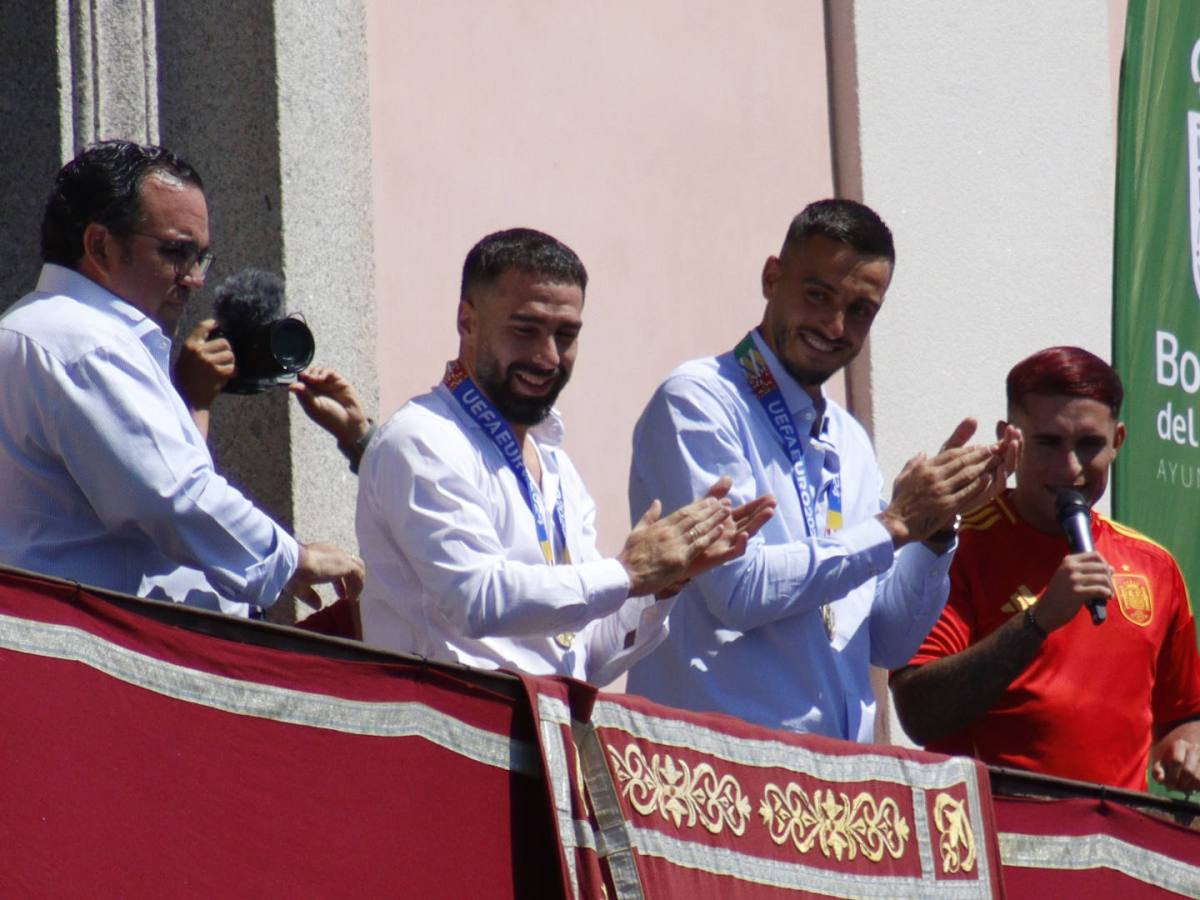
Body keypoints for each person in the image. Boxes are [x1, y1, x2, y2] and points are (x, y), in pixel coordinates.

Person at [625, 199, 1016, 741]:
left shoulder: (848, 438)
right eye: (818, 296)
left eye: (860, 310)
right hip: (713, 769)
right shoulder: (699, 399)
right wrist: (895, 524)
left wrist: (933, 531)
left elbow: (889, 641)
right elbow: (737, 592)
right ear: (771, 278)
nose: (835, 325)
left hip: (832, 782)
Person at [354, 227, 775, 683]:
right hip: (448, 738)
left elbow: (586, 656)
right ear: (467, 321)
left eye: (566, 334)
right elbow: (477, 600)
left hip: (545, 739)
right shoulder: (421, 440)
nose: (548, 356)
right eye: (526, 329)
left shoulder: (556, 466)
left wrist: (662, 585)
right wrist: (627, 573)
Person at [0, 140, 363, 617]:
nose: (194, 279)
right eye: (176, 252)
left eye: (201, 258)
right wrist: (290, 558)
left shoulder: (46, 328)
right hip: (104, 657)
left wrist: (193, 402)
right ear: (99, 245)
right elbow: (171, 496)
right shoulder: (85, 340)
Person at [891, 347, 1200, 793]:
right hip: (1001, 846)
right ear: (1010, 439)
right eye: (1049, 442)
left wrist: (1186, 745)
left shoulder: (1156, 567)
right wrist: (1038, 621)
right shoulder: (955, 548)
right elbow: (919, 714)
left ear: (1118, 442)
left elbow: (1183, 715)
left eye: (1090, 444)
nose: (1070, 468)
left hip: (1119, 850)